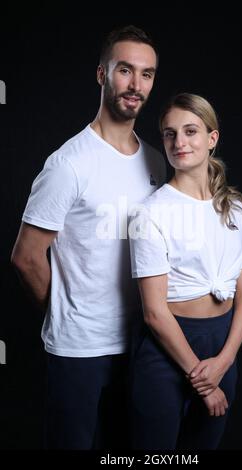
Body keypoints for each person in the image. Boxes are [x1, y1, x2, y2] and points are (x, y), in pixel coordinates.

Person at [10, 25, 165, 450]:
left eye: (147, 74)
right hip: (80, 349)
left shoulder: (155, 159)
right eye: (125, 71)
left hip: (141, 343)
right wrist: (65, 311)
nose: (136, 85)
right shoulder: (68, 163)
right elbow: (26, 257)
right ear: (102, 75)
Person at [128, 93, 242, 450]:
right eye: (170, 134)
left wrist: (225, 360)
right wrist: (203, 379)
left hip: (222, 343)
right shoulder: (149, 213)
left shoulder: (236, 211)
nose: (179, 142)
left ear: (212, 138)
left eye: (190, 131)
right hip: (170, 345)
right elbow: (154, 312)